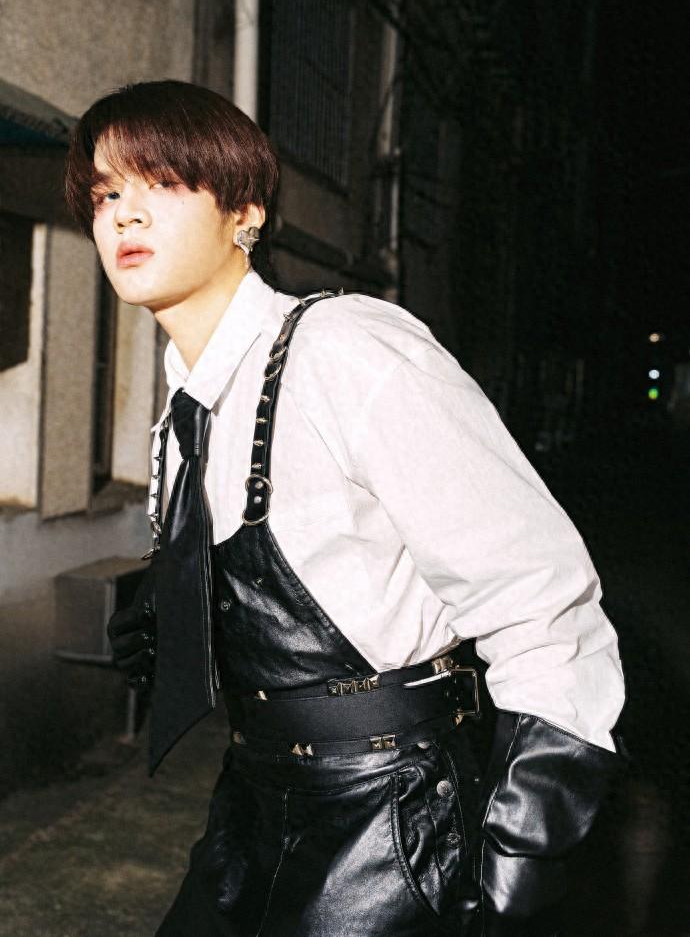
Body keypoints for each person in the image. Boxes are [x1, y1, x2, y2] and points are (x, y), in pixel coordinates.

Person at [64, 79, 626, 937]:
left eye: (163, 183)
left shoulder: (344, 348)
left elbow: (540, 594)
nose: (124, 216)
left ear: (245, 213)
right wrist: (183, 623)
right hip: (251, 804)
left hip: (390, 822)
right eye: (107, 194)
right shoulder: (183, 416)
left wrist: (526, 842)